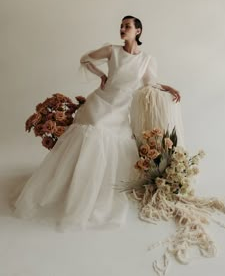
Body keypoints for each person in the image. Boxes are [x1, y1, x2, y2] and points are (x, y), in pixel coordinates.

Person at [10, 15, 184, 230]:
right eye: (121, 26)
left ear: (138, 31)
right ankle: (69, 189)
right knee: (93, 130)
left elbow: (150, 84)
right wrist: (101, 75)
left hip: (121, 109)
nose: (122, 29)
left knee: (114, 140)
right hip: (101, 102)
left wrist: (168, 88)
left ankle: (95, 191)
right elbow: (85, 59)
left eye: (127, 26)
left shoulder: (146, 59)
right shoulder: (112, 50)